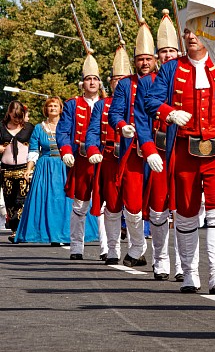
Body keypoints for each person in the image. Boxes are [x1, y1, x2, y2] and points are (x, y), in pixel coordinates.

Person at [136, 26, 215, 295]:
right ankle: (190, 273)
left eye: (198, 31)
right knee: (186, 214)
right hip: (183, 150)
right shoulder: (171, 68)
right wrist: (168, 113)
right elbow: (151, 100)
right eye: (188, 32)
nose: (191, 37)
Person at [134, 9, 183, 281]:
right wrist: (149, 148)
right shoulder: (146, 83)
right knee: (158, 207)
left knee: (183, 209)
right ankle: (161, 259)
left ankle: (182, 265)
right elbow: (142, 118)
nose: (167, 57)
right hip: (159, 151)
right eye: (162, 52)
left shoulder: (188, 75)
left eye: (171, 52)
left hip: (184, 150)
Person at [15, 97, 99, 245]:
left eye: (55, 105)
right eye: (50, 106)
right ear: (46, 109)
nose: (52, 108)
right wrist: (29, 169)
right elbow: (34, 150)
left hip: (66, 164)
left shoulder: (67, 125)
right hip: (46, 168)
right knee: (49, 201)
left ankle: (69, 233)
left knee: (67, 199)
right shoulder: (39, 128)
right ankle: (50, 234)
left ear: (61, 109)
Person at [108, 21, 157, 268]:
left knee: (161, 205)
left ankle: (168, 260)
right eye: (140, 59)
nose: (145, 63)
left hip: (159, 149)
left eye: (149, 58)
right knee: (133, 203)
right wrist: (121, 126)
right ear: (135, 61)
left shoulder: (163, 79)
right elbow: (115, 113)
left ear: (155, 59)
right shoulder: (126, 84)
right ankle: (137, 246)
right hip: (132, 150)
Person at [86, 44, 132, 264]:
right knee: (112, 206)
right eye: (116, 80)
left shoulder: (138, 100)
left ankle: (135, 249)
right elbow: (93, 130)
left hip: (134, 157)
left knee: (135, 206)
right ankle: (112, 250)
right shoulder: (102, 105)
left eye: (124, 78)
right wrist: (93, 149)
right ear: (112, 83)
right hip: (110, 159)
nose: (120, 84)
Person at [56, 54, 106, 260]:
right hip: (81, 159)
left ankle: (107, 249)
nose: (92, 82)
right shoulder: (72, 104)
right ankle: (77, 246)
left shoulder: (108, 103)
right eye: (88, 79)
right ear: (82, 83)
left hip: (104, 160)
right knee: (80, 204)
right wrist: (66, 151)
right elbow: (63, 131)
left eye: (95, 79)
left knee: (105, 204)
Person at [0, 101, 34, 243]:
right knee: (9, 202)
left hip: (23, 169)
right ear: (9, 113)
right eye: (14, 116)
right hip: (6, 169)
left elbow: (35, 147)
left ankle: (20, 229)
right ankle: (15, 230)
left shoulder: (30, 128)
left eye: (19, 116)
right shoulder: (1, 127)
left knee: (21, 200)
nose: (17, 119)